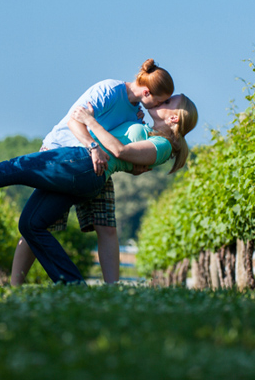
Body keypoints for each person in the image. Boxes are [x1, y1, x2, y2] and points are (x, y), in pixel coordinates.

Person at [0, 93, 198, 284]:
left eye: (170, 101)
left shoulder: (162, 146)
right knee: (31, 224)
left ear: (174, 118)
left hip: (81, 164)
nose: (164, 99)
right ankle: (72, 283)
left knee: (9, 169)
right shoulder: (147, 129)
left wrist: (89, 121)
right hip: (82, 174)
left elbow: (120, 151)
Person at [12, 59, 174, 286]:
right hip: (62, 155)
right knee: (39, 222)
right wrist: (93, 147)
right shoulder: (108, 90)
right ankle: (15, 285)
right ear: (147, 92)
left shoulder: (136, 113)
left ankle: (111, 289)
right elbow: (74, 120)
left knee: (106, 226)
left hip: (98, 166)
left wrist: (133, 166)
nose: (162, 105)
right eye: (161, 100)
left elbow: (122, 149)